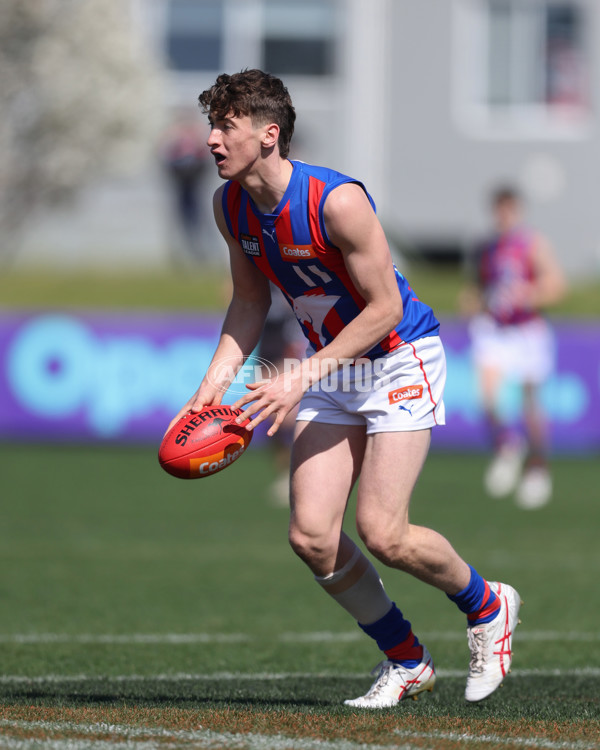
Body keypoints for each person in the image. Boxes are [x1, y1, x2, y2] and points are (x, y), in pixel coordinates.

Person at [168, 69, 521, 707]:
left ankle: (488, 604)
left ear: (269, 134)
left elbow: (385, 308)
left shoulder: (337, 201)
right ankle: (406, 659)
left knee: (384, 532)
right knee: (311, 534)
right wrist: (210, 388)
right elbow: (249, 303)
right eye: (212, 126)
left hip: (396, 357)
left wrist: (300, 374)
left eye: (227, 126)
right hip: (333, 364)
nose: (213, 140)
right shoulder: (231, 206)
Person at [462, 187, 566, 509]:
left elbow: (556, 286)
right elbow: (478, 288)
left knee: (531, 402)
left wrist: (528, 294)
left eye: (509, 210)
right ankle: (508, 444)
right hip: (496, 329)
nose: (503, 216)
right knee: (488, 396)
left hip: (527, 330)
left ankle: (538, 467)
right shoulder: (485, 247)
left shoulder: (532, 244)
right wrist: (473, 302)